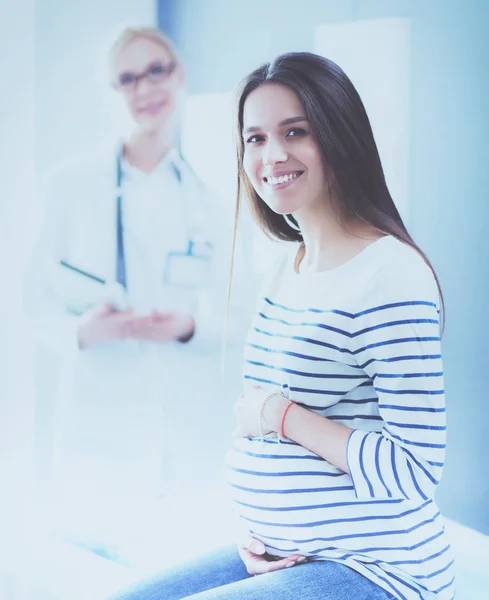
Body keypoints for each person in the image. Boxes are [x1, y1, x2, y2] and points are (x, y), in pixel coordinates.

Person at [108, 52, 455, 599]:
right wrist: (257, 528)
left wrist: (281, 414)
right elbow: (258, 430)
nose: (273, 155)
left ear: (339, 135)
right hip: (281, 551)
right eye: (255, 138)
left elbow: (414, 468)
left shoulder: (391, 277)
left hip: (374, 568)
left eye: (295, 131)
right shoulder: (284, 267)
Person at [24, 26, 251, 554]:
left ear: (180, 76)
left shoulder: (211, 202)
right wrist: (84, 329)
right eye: (127, 78)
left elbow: (238, 312)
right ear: (113, 91)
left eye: (156, 71)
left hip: (186, 422)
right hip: (100, 419)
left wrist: (190, 325)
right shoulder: (69, 186)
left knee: (176, 561)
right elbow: (33, 303)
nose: (144, 88)